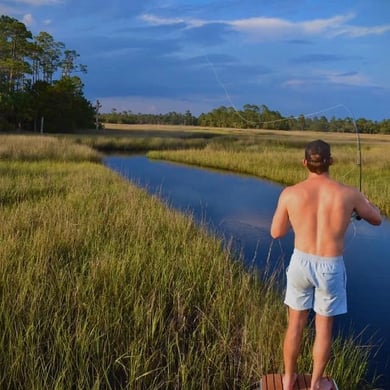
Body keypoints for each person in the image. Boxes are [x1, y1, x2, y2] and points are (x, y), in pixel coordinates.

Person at [270, 139, 382, 390]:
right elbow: (376, 220)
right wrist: (361, 205)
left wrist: (295, 218)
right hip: (330, 266)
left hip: (300, 262)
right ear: (331, 161)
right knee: (323, 329)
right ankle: (316, 384)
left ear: (305, 162)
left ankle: (288, 380)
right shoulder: (349, 194)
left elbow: (276, 232)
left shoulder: (290, 193)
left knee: (295, 324)